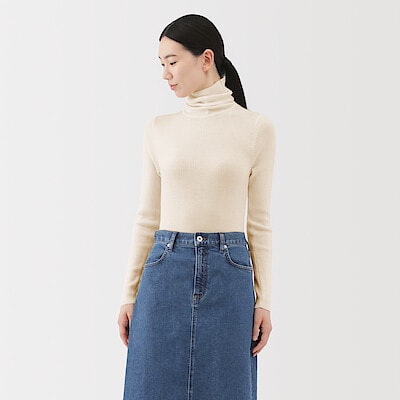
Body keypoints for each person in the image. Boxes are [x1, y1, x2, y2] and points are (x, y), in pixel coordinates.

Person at [118, 14, 276, 400]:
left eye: (172, 62)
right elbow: (147, 218)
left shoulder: (256, 128)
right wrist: (128, 293)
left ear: (206, 59)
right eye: (162, 64)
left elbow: (259, 223)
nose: (166, 74)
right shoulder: (158, 129)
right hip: (163, 272)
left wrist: (264, 301)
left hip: (230, 275)